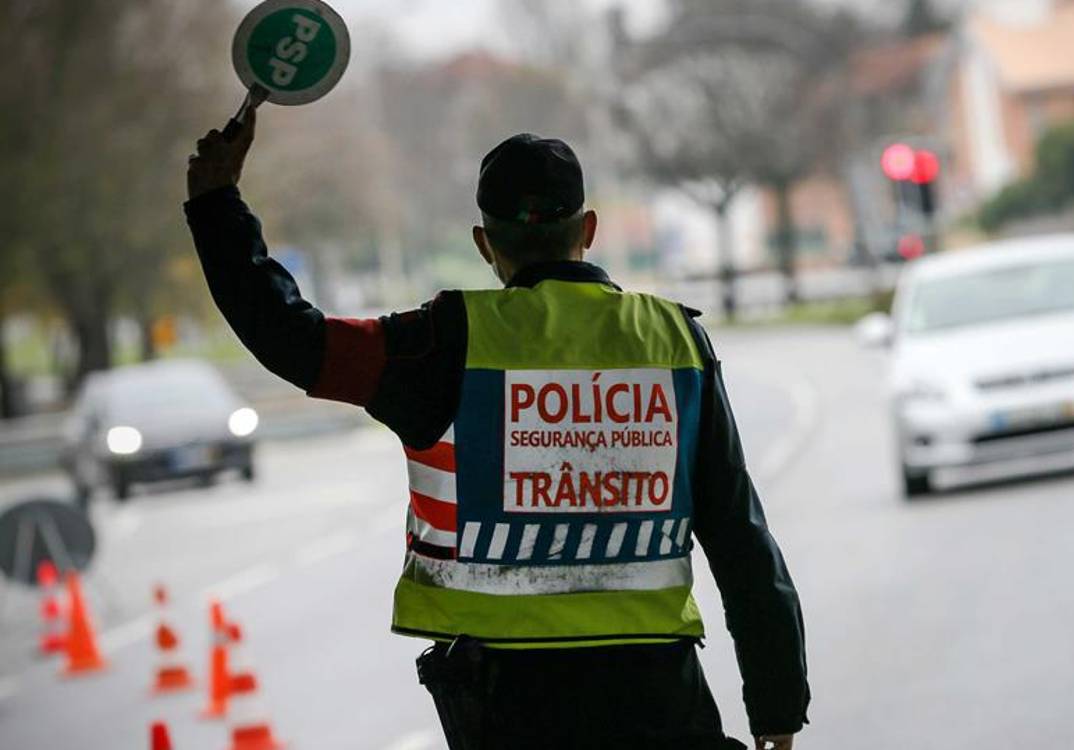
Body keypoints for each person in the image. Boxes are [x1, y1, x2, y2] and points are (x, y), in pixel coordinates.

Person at [185, 113, 808, 750]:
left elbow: (293, 338)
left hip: (506, 711)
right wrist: (777, 706)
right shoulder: (677, 342)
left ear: (486, 243)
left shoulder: (441, 342)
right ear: (587, 230)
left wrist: (216, 203)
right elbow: (742, 539)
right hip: (661, 702)